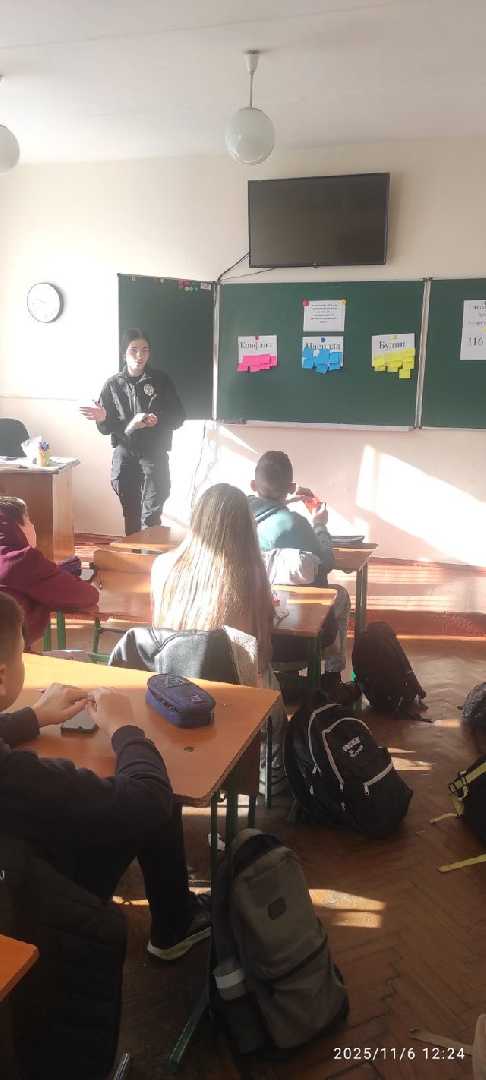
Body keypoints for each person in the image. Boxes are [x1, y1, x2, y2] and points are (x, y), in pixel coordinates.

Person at [0, 590, 210, 961]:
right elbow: (148, 799)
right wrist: (124, 728)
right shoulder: (16, 777)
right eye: (22, 651)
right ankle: (175, 925)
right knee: (157, 789)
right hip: (33, 902)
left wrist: (32, 717)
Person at [112, 483, 288, 795]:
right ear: (246, 528)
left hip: (170, 686)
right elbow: (257, 648)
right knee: (276, 697)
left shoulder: (163, 565)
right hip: (231, 693)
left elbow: (158, 624)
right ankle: (271, 781)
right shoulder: (251, 576)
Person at [248, 450, 355, 703]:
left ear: (253, 485)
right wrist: (319, 523)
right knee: (340, 596)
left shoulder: (238, 516)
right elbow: (326, 563)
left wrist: (281, 503)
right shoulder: (296, 524)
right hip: (298, 644)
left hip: (251, 637)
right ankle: (332, 679)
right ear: (291, 487)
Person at [80, 328, 185, 535]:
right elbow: (105, 428)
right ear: (124, 354)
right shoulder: (112, 385)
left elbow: (179, 416)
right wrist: (102, 419)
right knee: (131, 512)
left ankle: (150, 551)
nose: (140, 355)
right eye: (134, 350)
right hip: (126, 452)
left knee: (151, 514)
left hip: (154, 451)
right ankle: (133, 549)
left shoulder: (161, 380)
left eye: (145, 350)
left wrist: (158, 419)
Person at [0, 495, 98, 646]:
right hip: (9, 653)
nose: (33, 525)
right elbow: (87, 595)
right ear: (17, 527)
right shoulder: (24, 560)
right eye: (29, 520)